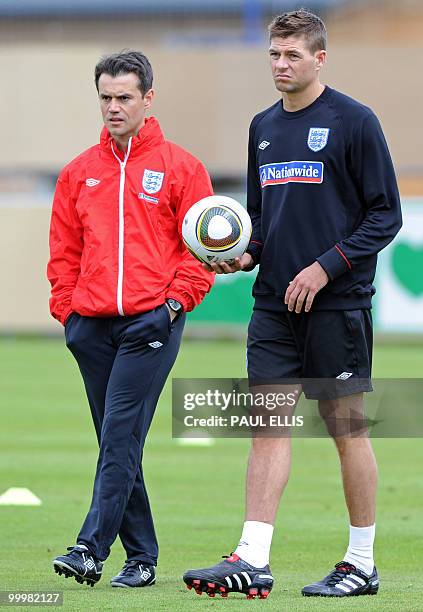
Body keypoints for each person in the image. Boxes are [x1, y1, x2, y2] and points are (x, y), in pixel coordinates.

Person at [183, 9, 402, 599]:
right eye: (274, 55)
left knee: (347, 430)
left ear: (319, 58)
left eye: (292, 55)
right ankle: (253, 556)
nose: (281, 65)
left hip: (337, 305)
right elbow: (262, 221)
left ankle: (361, 563)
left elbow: (386, 214)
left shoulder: (355, 122)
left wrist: (325, 266)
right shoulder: (262, 127)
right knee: (267, 428)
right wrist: (241, 253)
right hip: (273, 306)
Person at [47, 50, 214, 588]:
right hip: (91, 327)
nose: (113, 107)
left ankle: (89, 548)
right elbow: (63, 252)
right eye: (105, 97)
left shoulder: (182, 168)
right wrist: (68, 314)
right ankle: (141, 557)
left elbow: (203, 252)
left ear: (148, 98)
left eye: (124, 97)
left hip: (152, 324)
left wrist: (172, 306)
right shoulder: (78, 173)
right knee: (118, 441)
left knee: (120, 433)